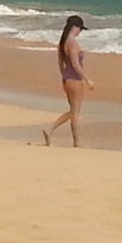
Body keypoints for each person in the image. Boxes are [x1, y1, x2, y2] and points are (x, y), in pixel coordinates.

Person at [40, 15, 93, 147]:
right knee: (75, 112)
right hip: (75, 80)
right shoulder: (72, 43)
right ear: (75, 27)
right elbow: (75, 64)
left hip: (67, 79)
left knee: (73, 111)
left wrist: (64, 76)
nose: (80, 32)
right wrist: (87, 79)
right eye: (80, 29)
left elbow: (60, 62)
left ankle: (69, 138)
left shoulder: (62, 43)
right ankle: (71, 139)